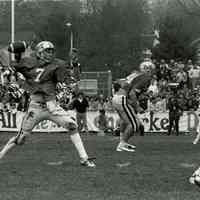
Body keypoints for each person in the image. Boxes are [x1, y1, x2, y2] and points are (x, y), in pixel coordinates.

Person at [0, 41, 95, 168]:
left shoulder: (57, 64)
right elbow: (11, 69)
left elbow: (70, 79)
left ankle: (84, 158)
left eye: (51, 51)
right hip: (35, 106)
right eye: (47, 51)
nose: (50, 53)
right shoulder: (28, 61)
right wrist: (17, 54)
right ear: (39, 52)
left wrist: (75, 65)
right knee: (20, 139)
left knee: (72, 126)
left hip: (52, 106)